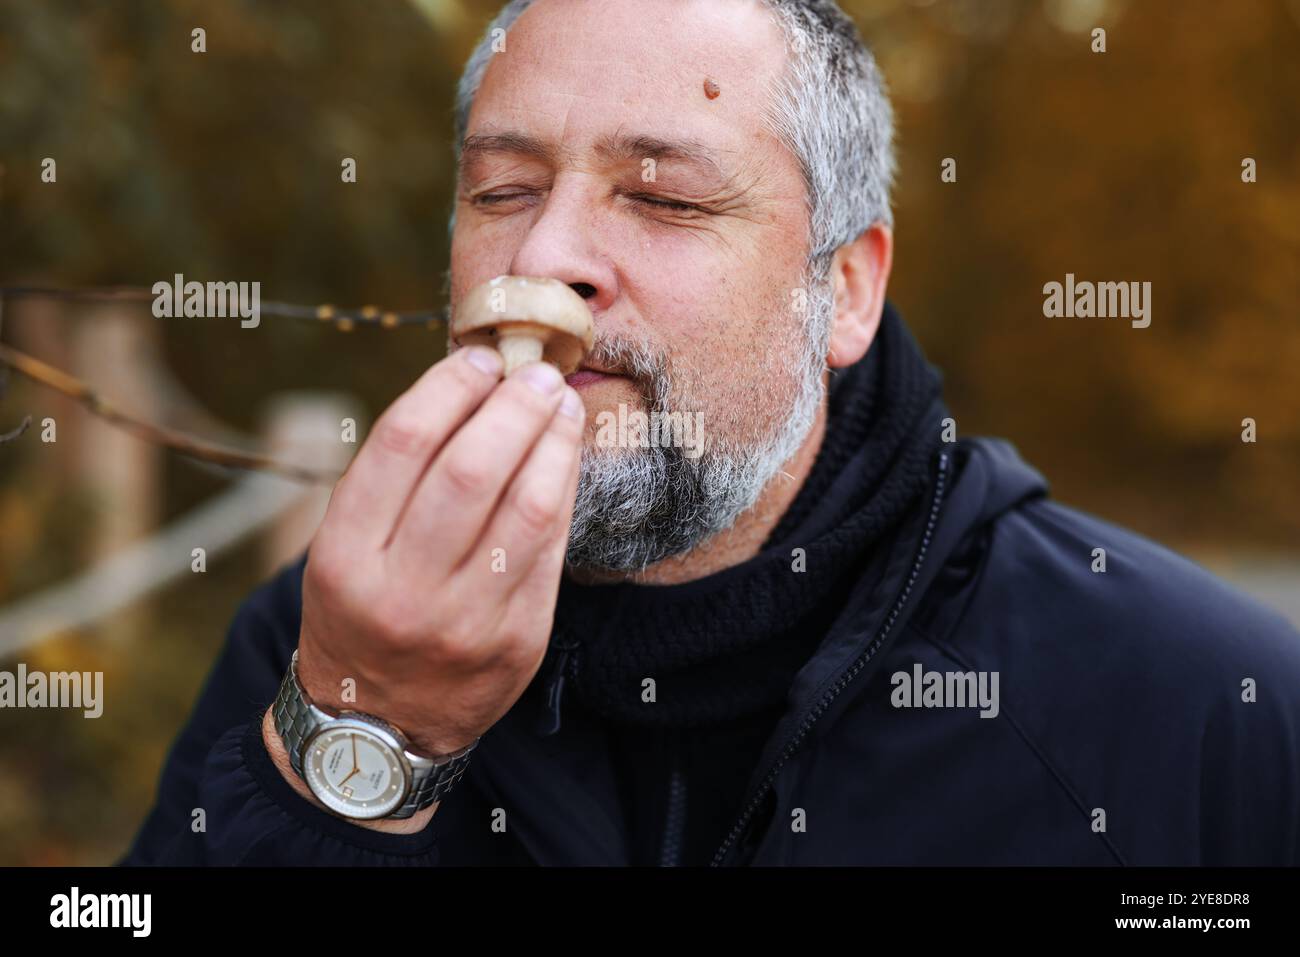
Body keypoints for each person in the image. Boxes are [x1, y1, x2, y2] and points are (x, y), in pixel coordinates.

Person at [121, 0, 1300, 866]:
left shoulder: (1202, 707)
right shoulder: (322, 638)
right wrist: (364, 741)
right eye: (501, 191)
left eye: (665, 198)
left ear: (842, 289)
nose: (541, 263)